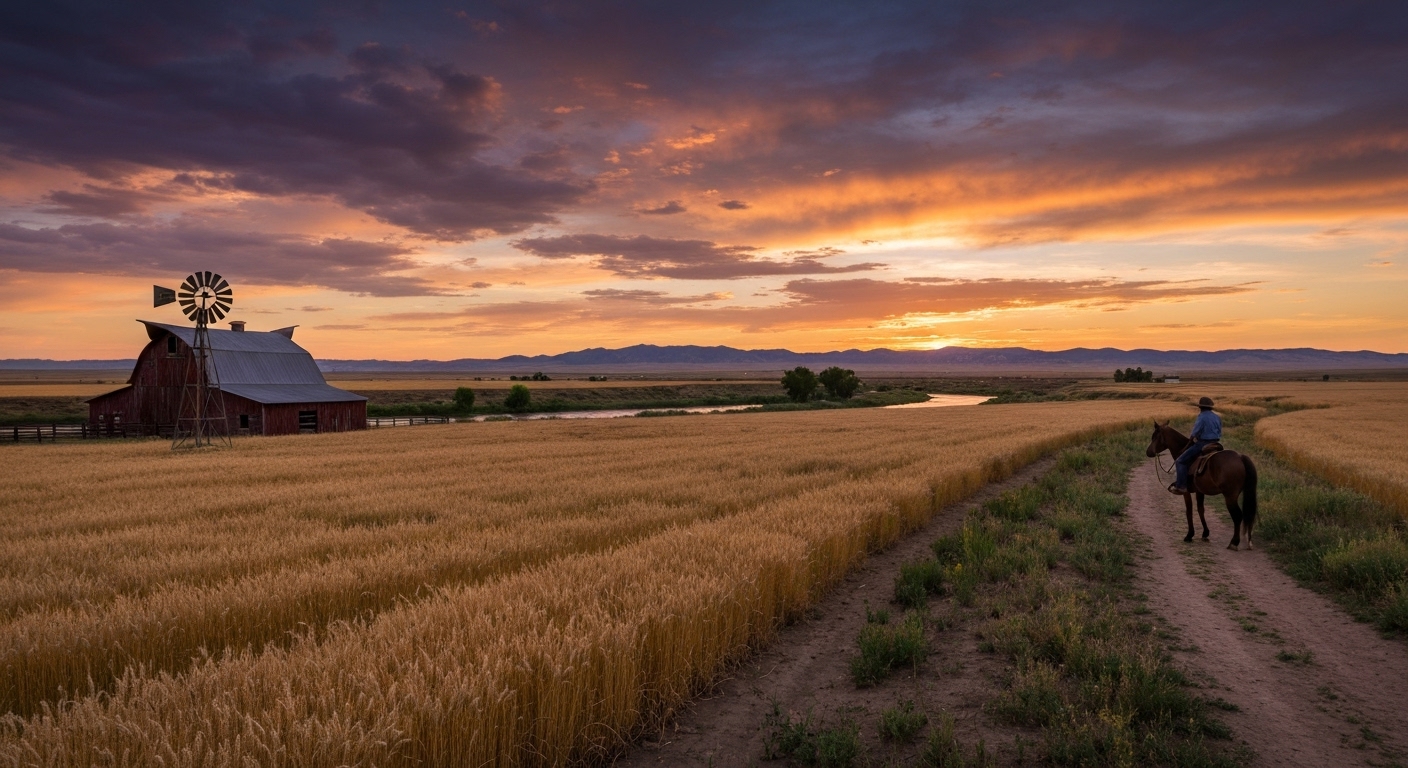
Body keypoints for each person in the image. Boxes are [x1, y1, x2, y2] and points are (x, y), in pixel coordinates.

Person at [1171, 396, 1221, 494]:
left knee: (1180, 461)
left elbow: (1195, 432)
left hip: (1203, 443)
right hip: (1216, 443)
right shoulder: (1217, 417)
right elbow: (1219, 431)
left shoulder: (1201, 417)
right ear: (1210, 407)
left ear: (1201, 407)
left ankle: (1181, 486)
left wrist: (1189, 443)